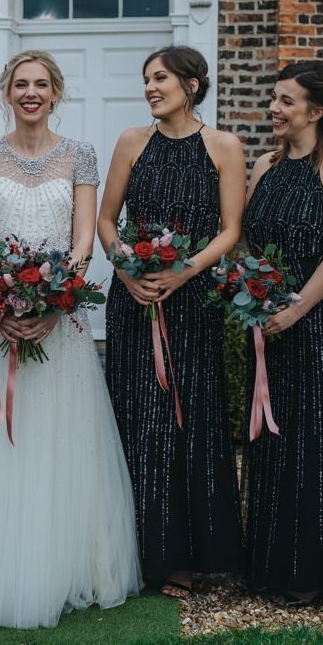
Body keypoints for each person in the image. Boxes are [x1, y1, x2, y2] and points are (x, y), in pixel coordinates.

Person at [0, 50, 142, 629]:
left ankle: (66, 567)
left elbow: (82, 242)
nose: (30, 93)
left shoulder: (81, 156)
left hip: (60, 323)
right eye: (20, 84)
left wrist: (53, 302)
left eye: (40, 84)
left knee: (61, 443)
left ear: (55, 92)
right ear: (6, 91)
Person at [97, 45, 246, 597]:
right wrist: (127, 269)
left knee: (192, 419)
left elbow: (230, 230)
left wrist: (184, 273)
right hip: (135, 300)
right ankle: (139, 553)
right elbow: (107, 220)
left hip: (192, 301)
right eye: (146, 80)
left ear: (191, 84)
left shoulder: (224, 146)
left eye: (159, 78)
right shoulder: (131, 144)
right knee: (139, 418)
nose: (150, 88)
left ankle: (192, 555)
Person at [243, 60, 323, 605]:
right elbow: (248, 246)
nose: (274, 109)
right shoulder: (264, 166)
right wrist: (249, 295)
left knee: (316, 440)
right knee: (274, 441)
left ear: (317, 109)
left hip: (319, 323)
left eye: (285, 101)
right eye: (274, 99)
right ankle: (273, 567)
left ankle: (315, 572)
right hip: (267, 328)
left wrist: (297, 308)